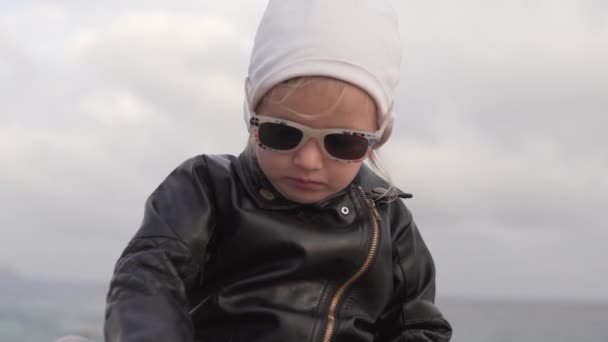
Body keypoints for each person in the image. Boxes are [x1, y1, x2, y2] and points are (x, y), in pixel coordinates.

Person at [104, 0, 452, 341]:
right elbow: (149, 279)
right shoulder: (207, 189)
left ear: (377, 137)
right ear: (252, 117)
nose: (308, 162)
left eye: (343, 143)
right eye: (282, 133)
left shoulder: (387, 220)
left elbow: (418, 326)